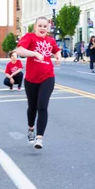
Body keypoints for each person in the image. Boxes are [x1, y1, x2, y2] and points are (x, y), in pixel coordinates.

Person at [16, 17, 62, 149]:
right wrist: (35, 53)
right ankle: (31, 128)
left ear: (47, 28)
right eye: (40, 26)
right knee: (32, 108)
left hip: (47, 77)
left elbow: (56, 49)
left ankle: (39, 138)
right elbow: (19, 50)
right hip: (31, 79)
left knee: (42, 106)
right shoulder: (29, 37)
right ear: (35, 27)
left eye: (45, 26)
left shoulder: (50, 40)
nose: (42, 28)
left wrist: (58, 56)